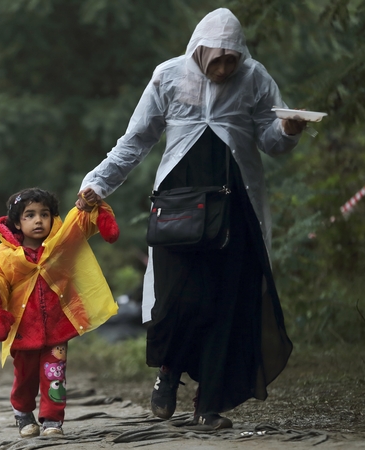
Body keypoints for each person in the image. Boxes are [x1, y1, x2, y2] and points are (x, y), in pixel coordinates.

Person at [76, 8, 307, 429]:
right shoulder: (168, 76)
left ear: (241, 56)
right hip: (178, 207)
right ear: (197, 51)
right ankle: (169, 373)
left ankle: (209, 404)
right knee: (178, 296)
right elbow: (136, 140)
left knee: (227, 301)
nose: (222, 68)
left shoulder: (254, 78)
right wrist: (98, 184)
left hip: (235, 206)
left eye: (230, 60)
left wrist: (289, 130)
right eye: (214, 59)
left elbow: (271, 142)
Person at [0, 187, 120, 438]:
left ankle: (53, 419)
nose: (38, 220)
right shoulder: (5, 254)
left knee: (55, 376)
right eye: (29, 215)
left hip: (57, 328)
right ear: (17, 223)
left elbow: (80, 221)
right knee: (25, 378)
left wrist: (91, 204)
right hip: (23, 330)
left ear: (53, 218)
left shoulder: (61, 243)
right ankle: (22, 412)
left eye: (44, 214)